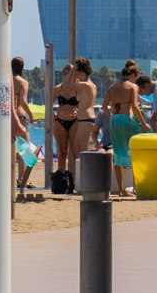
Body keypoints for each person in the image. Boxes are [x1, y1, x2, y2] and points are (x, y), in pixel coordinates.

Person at [50, 59, 97, 192]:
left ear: (81, 72)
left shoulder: (85, 85)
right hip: (80, 120)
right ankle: (74, 182)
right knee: (74, 152)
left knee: (82, 154)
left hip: (84, 121)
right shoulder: (86, 86)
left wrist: (72, 71)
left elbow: (67, 84)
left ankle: (85, 182)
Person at [106, 62, 150, 198]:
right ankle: (136, 188)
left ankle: (121, 189)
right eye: (135, 77)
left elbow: (103, 106)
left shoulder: (112, 87)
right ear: (132, 75)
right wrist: (143, 124)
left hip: (115, 121)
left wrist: (112, 117)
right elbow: (135, 108)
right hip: (127, 119)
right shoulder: (133, 86)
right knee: (137, 150)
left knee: (118, 152)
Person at [10, 57, 35, 191]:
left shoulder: (6, 80)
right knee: (24, 151)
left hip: (6, 116)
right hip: (19, 116)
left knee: (9, 150)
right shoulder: (23, 82)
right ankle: (21, 180)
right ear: (22, 68)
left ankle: (9, 178)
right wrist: (31, 115)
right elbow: (24, 102)